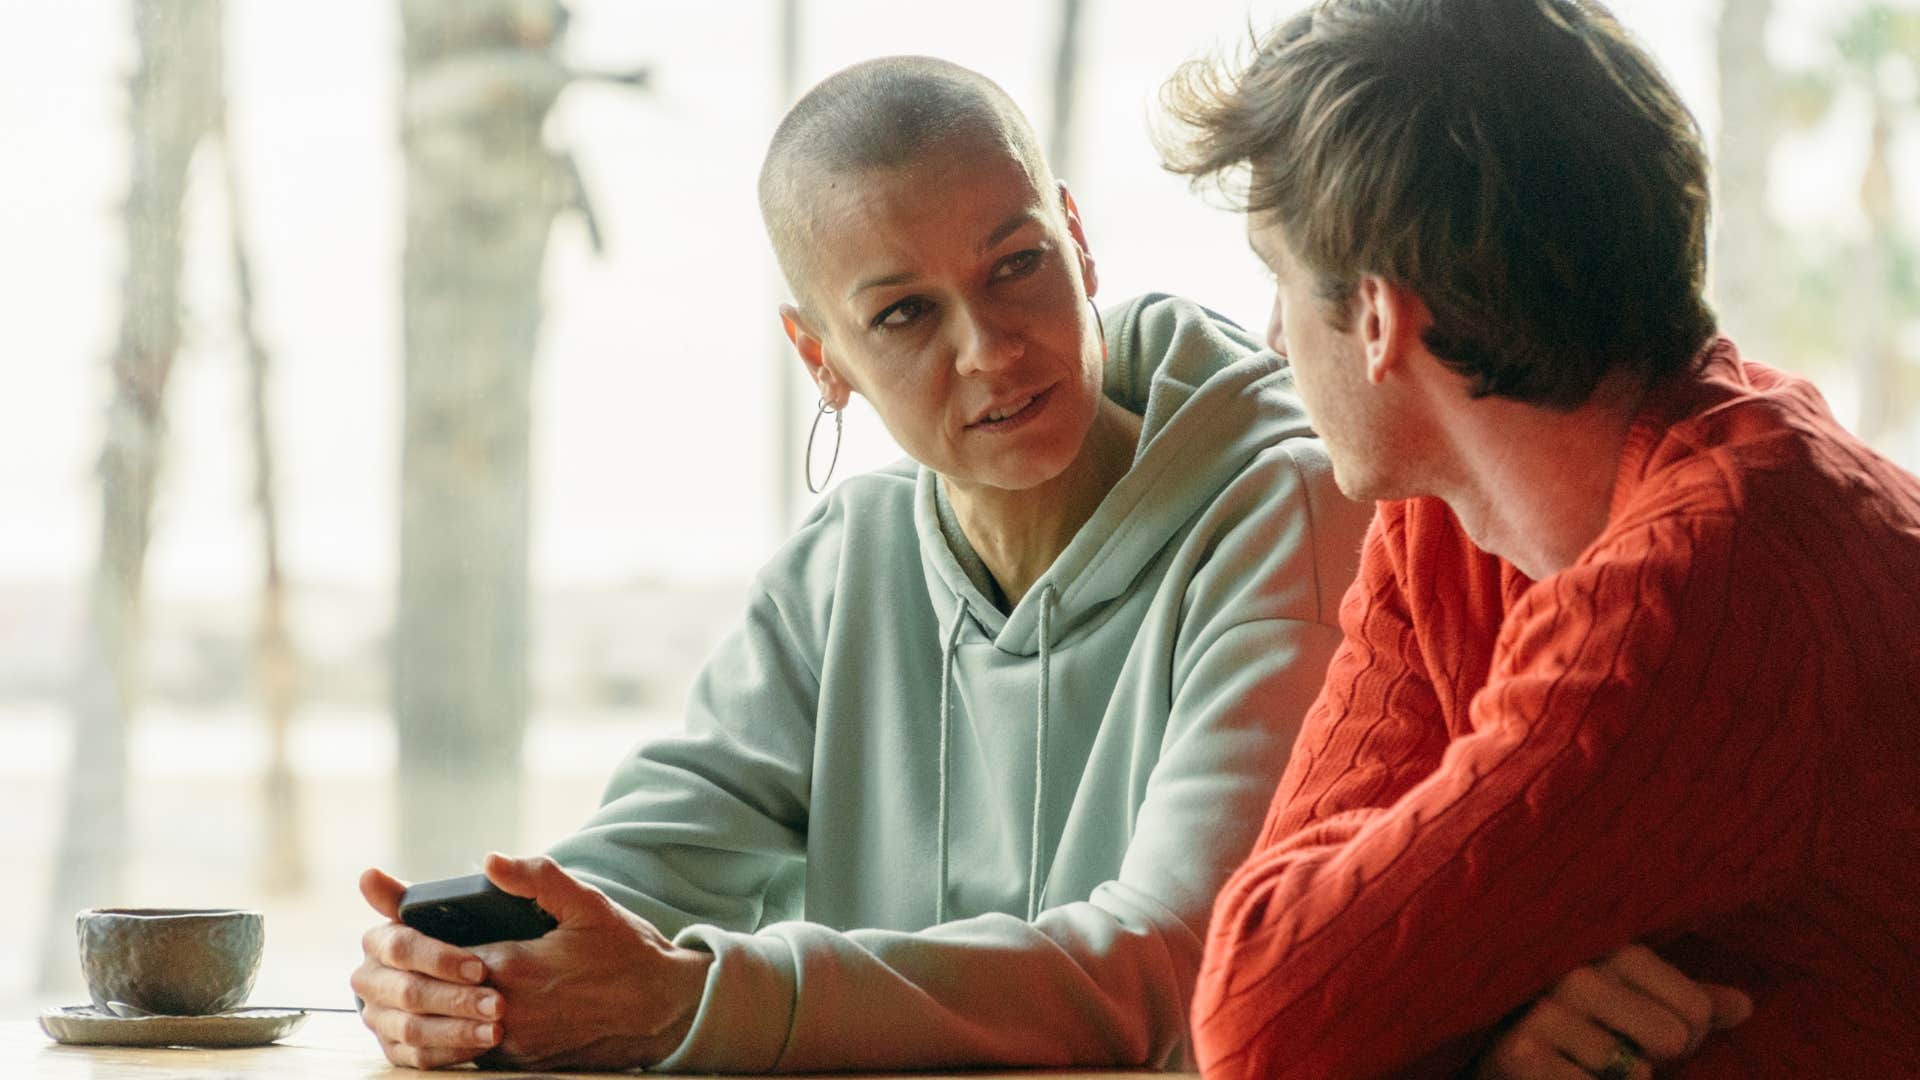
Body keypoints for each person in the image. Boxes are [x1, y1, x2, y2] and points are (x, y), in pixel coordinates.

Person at [349, 56, 1375, 1072]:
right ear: (821, 355)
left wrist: (693, 1000)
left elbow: (1175, 967)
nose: (989, 349)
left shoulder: (1289, 511)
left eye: (1017, 263)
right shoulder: (845, 562)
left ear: (1079, 239)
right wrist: (470, 975)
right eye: (904, 313)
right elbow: (654, 857)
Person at [1160, 1, 1920, 1077]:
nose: (1273, 333)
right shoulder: (1444, 514)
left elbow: (1262, 1017)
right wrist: (1494, 1041)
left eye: (1277, 275)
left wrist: (1444, 1007)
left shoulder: (1717, 574)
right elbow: (1283, 957)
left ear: (1380, 317)